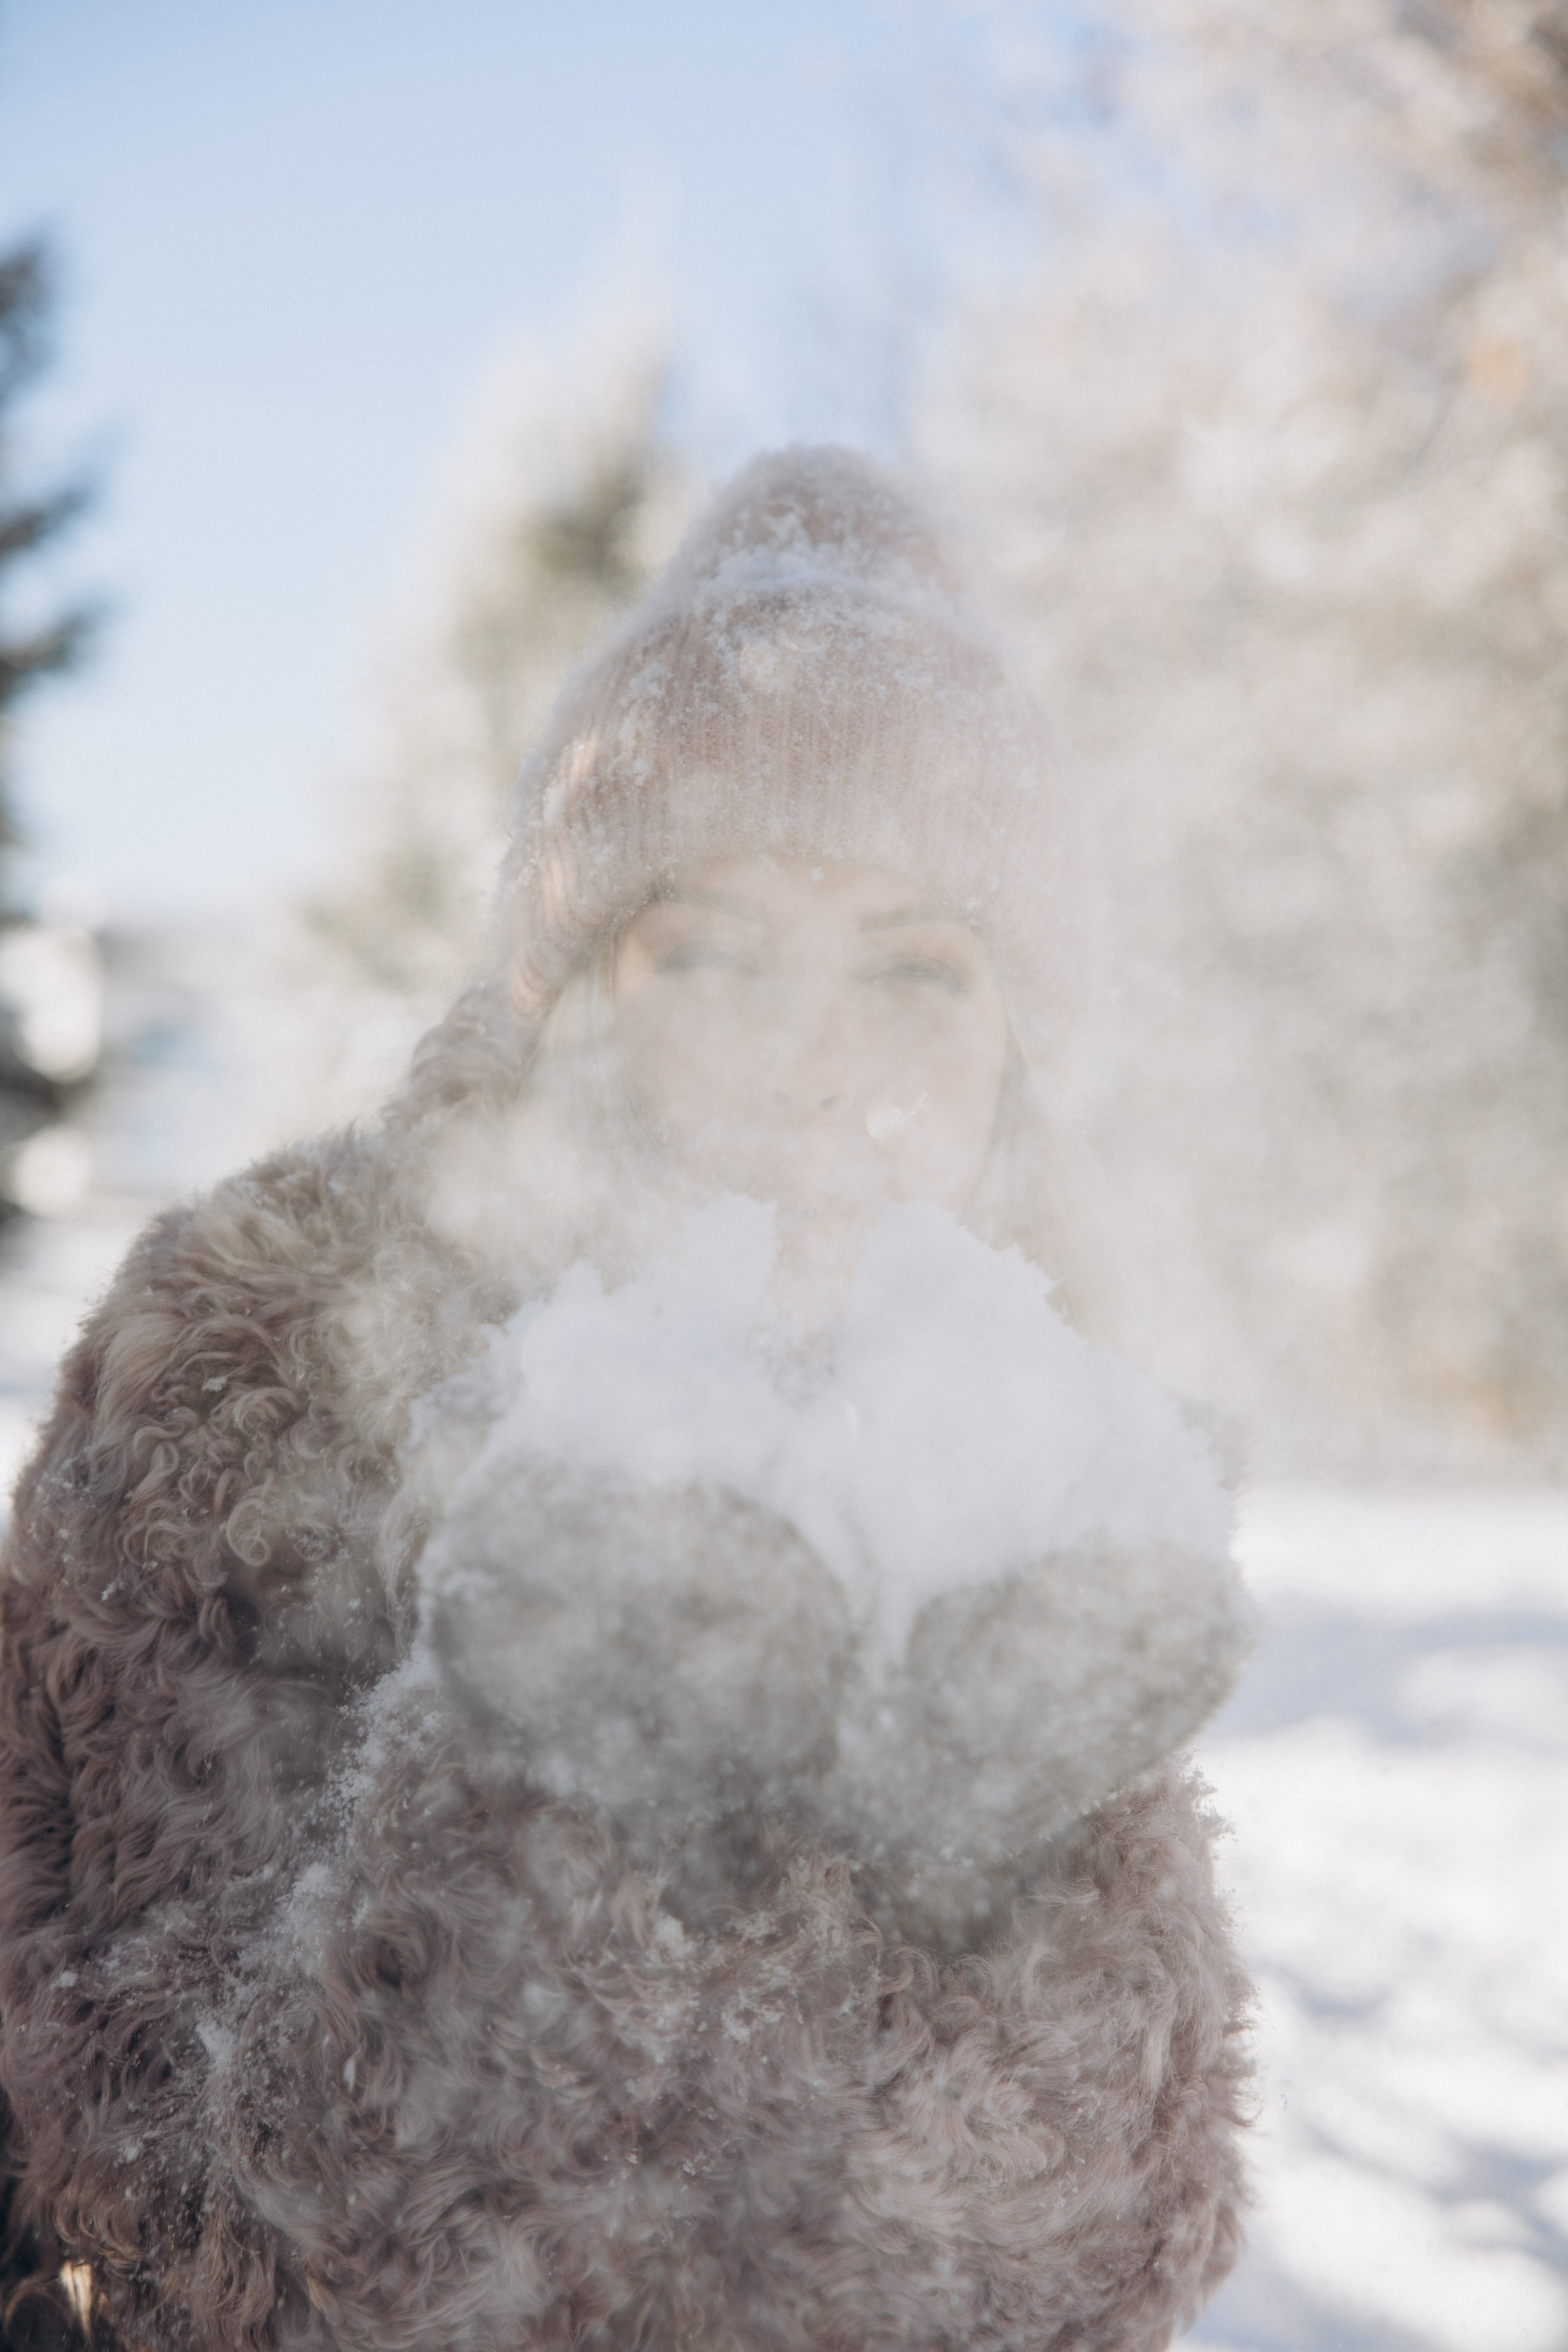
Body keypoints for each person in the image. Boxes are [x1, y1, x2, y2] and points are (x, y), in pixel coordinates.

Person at [0, 448, 1253, 2352]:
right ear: (573, 992)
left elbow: (1115, 2276)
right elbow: (159, 2221)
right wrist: (539, 1792)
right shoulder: (252, 1370)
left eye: (919, 966)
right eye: (717, 951)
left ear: (1020, 1055)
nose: (816, 1066)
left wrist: (992, 1871)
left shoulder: (1038, 1458)